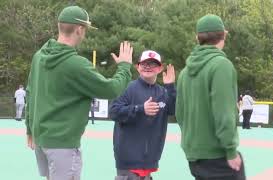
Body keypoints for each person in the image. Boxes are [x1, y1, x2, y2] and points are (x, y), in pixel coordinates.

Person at [25, 6, 133, 180]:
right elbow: (111, 89)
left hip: (41, 140)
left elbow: (30, 91)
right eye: (85, 30)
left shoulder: (39, 56)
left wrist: (29, 128)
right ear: (80, 29)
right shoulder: (75, 64)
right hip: (63, 144)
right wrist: (125, 67)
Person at [176, 14, 245, 180]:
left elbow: (180, 114)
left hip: (194, 155)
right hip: (217, 155)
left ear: (197, 38)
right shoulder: (221, 65)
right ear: (224, 35)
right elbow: (224, 114)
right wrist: (230, 150)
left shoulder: (185, 72)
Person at [109, 50, 176, 180]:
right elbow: (114, 111)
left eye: (152, 64)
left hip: (150, 162)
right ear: (138, 67)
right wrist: (140, 109)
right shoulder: (127, 88)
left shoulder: (163, 92)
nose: (147, 67)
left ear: (160, 68)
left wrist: (170, 87)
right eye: (144, 63)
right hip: (128, 162)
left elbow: (173, 111)